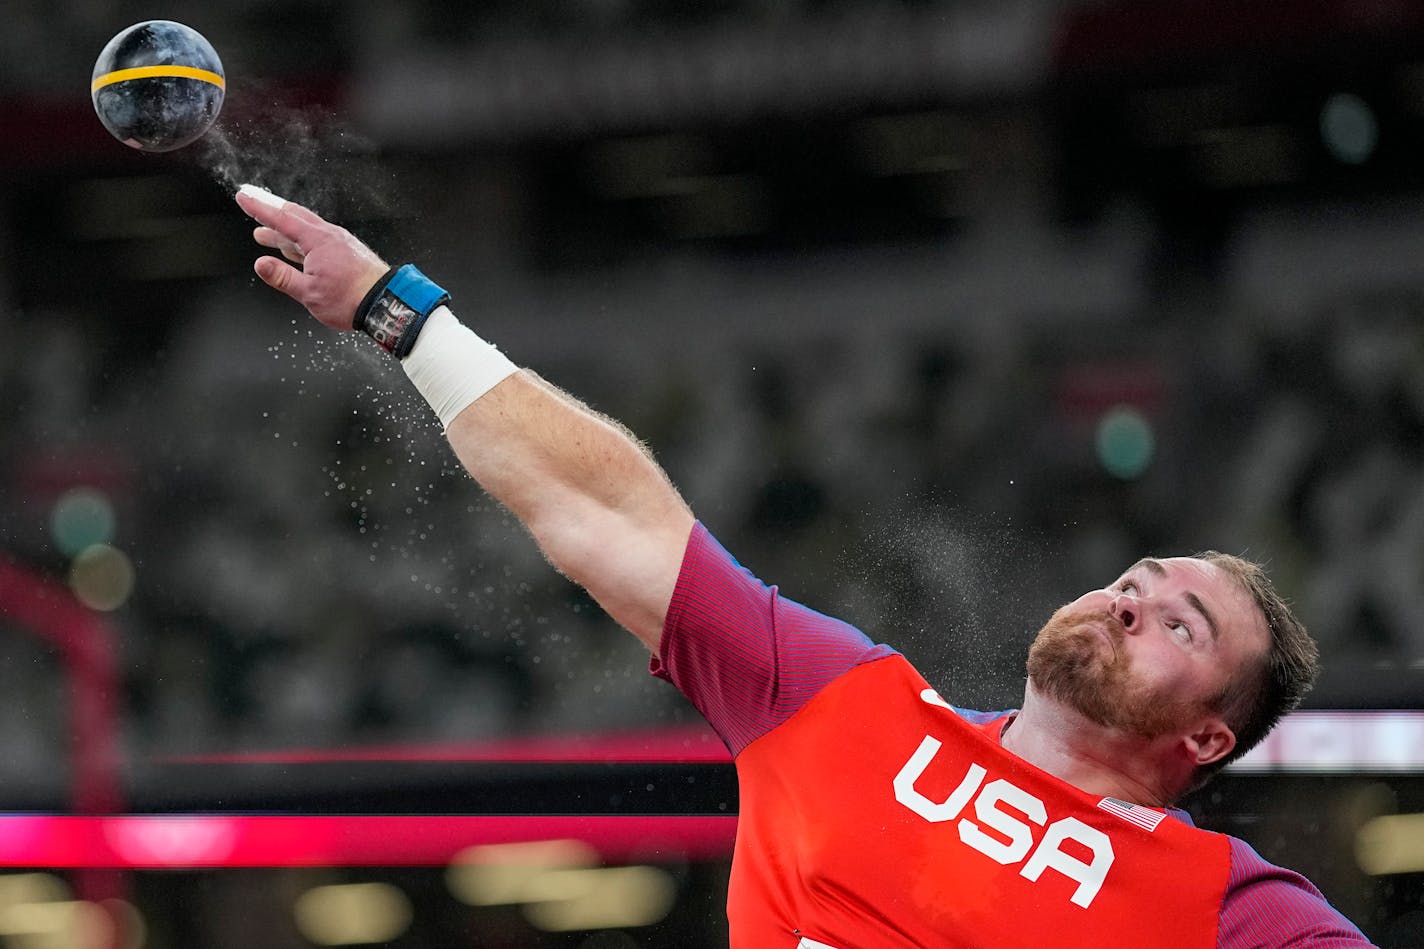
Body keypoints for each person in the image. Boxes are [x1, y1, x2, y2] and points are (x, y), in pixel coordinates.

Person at [233, 183, 1377, 948]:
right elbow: (608, 512)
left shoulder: (1224, 906)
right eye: (1139, 579)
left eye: (1184, 625)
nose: (1133, 602)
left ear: (1206, 738)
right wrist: (399, 311)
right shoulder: (844, 704)